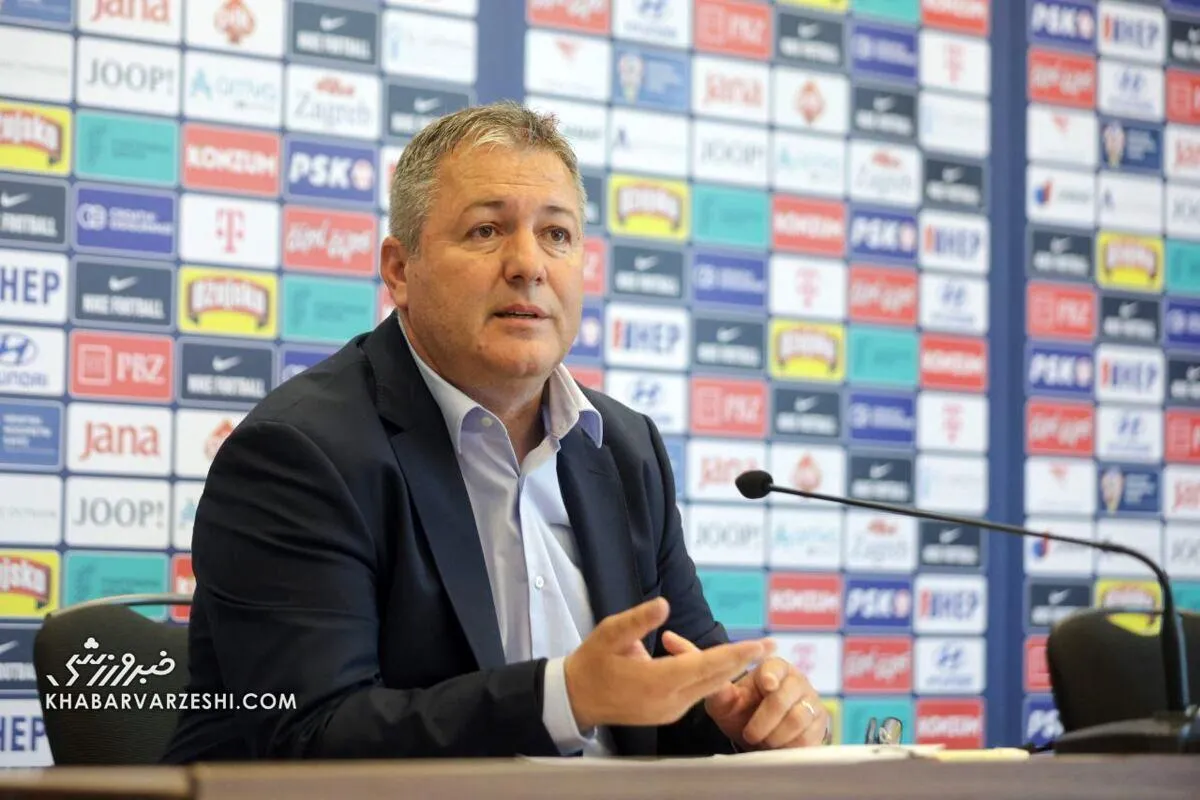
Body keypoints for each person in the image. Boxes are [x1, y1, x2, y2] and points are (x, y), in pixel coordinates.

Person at [162, 101, 829, 762]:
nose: (528, 264)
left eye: (556, 234)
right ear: (400, 270)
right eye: (486, 231)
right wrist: (565, 698)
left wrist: (750, 720)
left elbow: (679, 693)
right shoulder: (302, 453)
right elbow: (311, 735)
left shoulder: (625, 450)